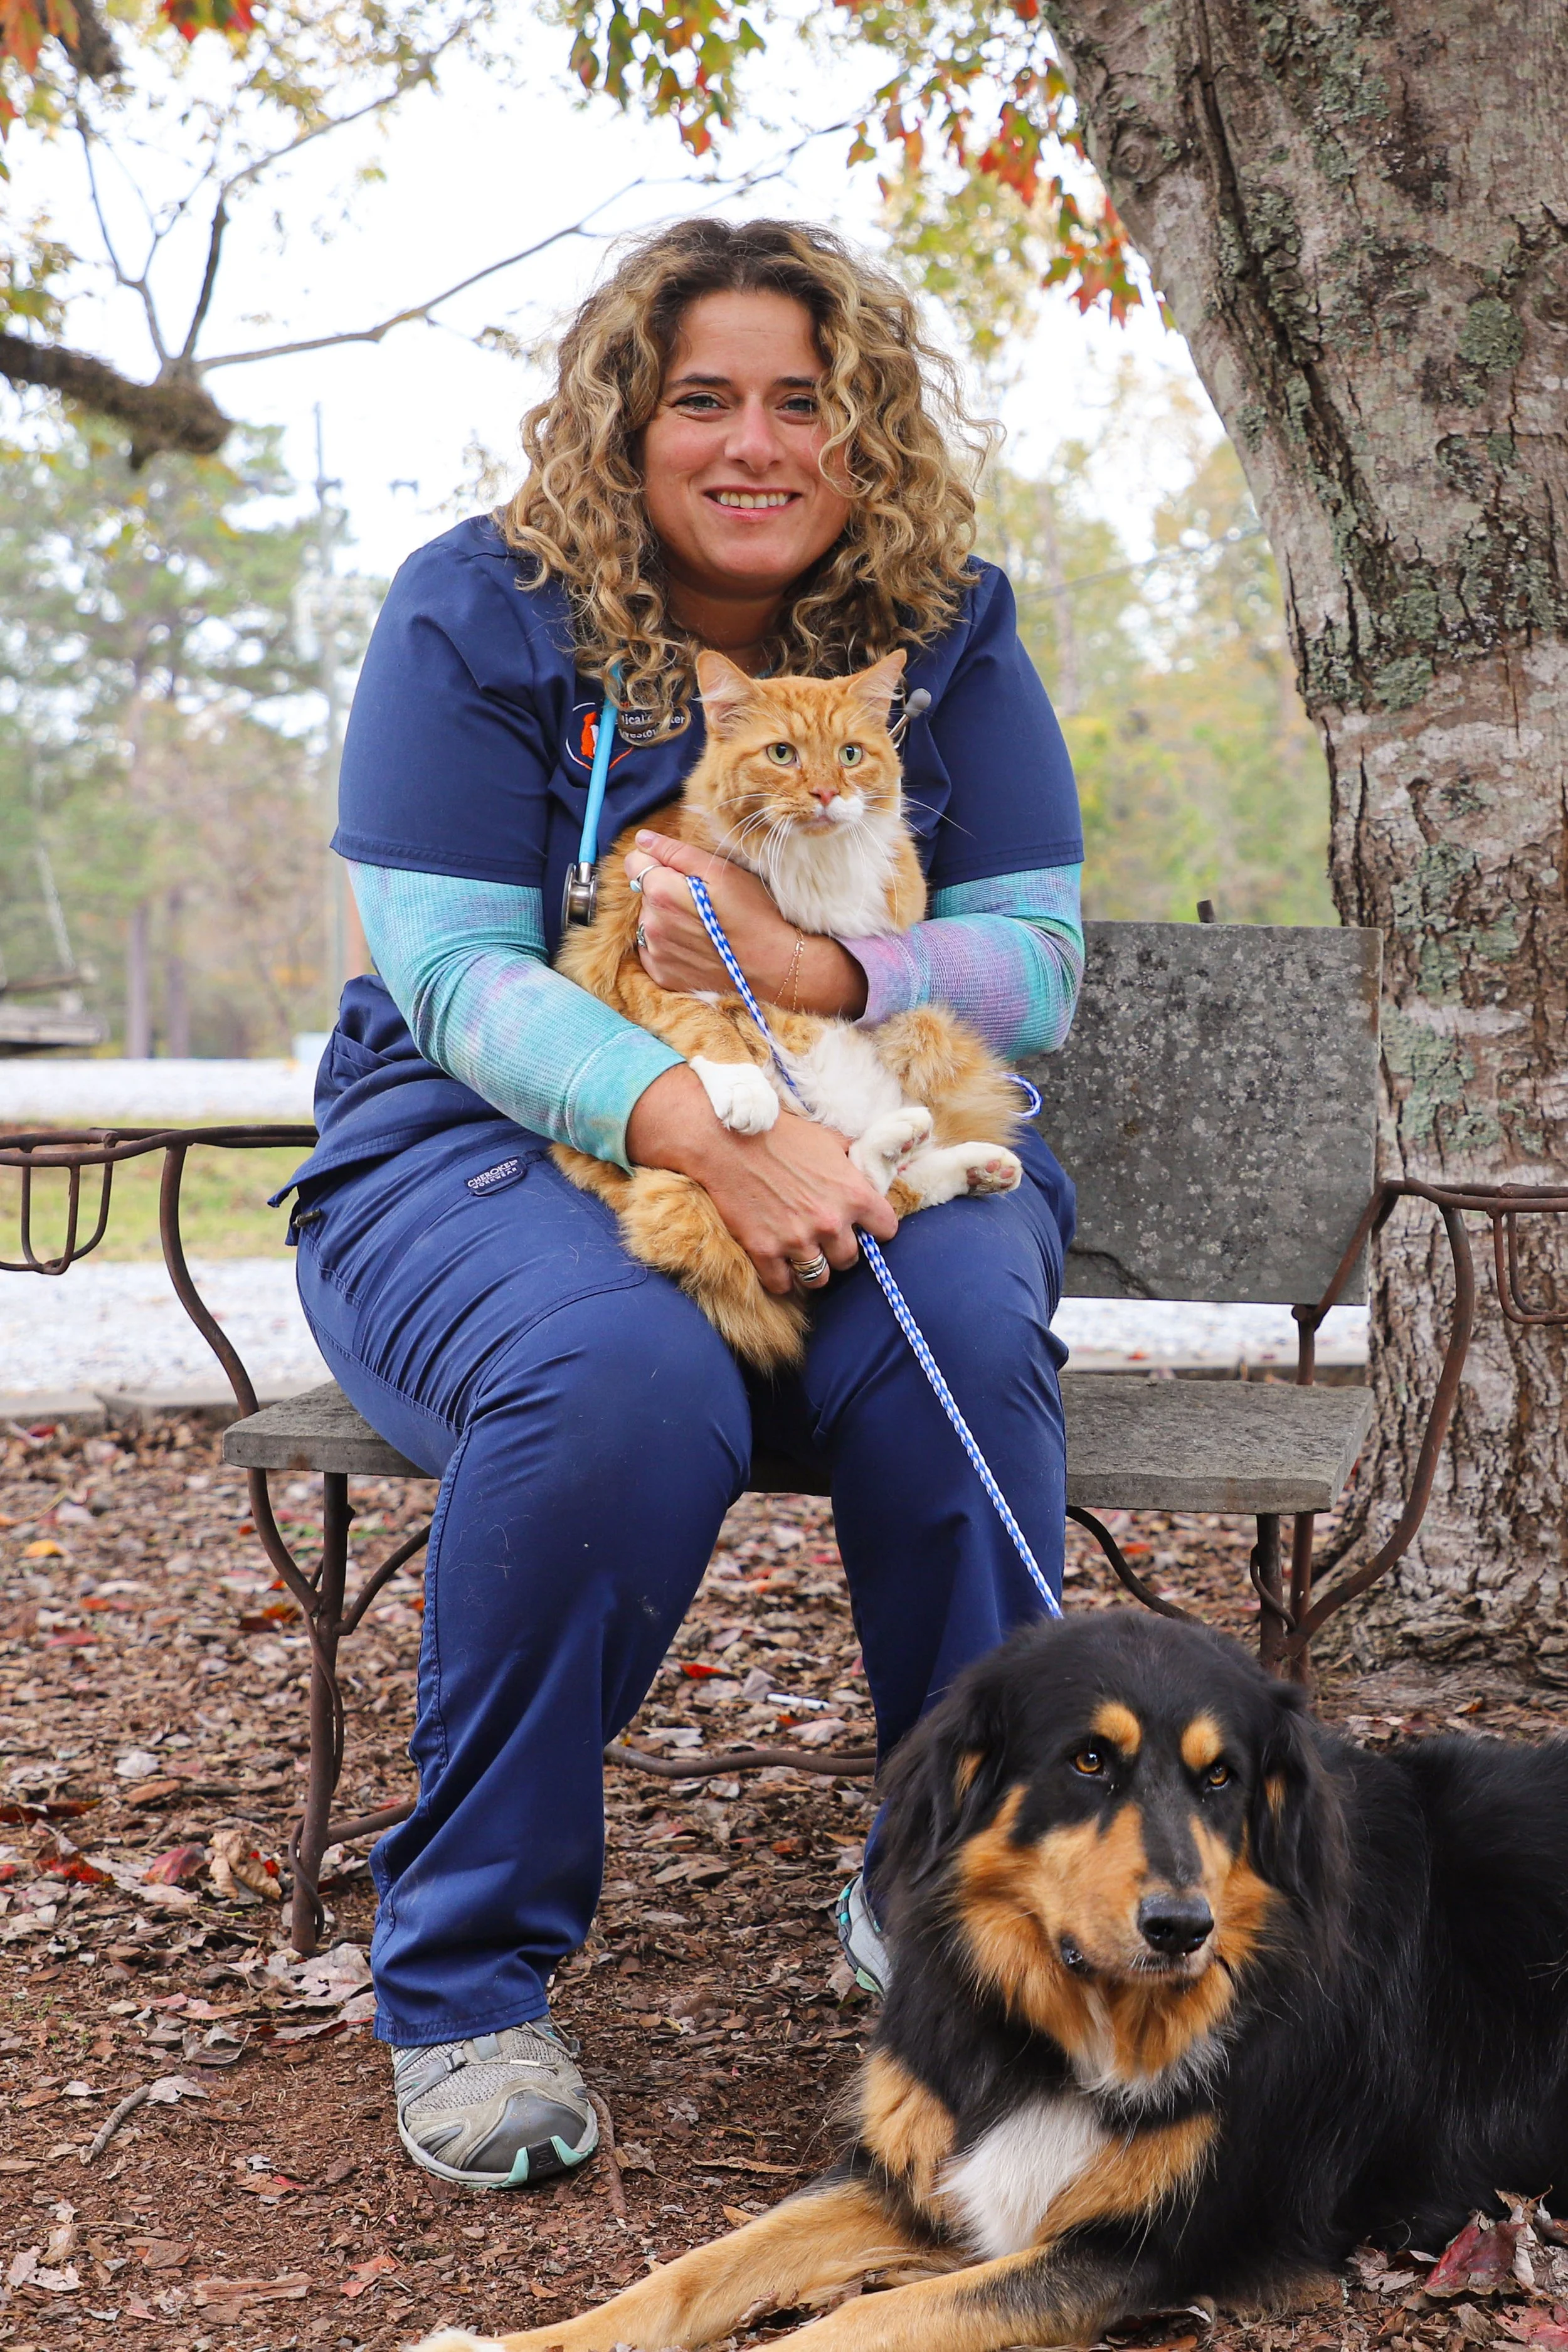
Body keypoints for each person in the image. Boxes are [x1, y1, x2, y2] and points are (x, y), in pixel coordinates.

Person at [278, 217, 1084, 2191]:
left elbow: (1034, 963)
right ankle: (467, 1977)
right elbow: (460, 974)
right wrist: (707, 1127)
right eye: (699, 397)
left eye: (798, 401)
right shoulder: (480, 611)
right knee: (616, 1369)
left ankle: (948, 1893)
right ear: (626, 418)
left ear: (857, 427)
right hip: (485, 1137)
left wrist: (812, 984)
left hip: (875, 1098)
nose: (751, 441)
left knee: (964, 1333)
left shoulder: (949, 626)